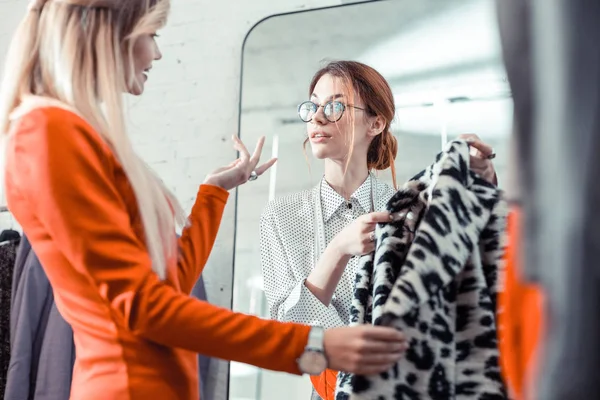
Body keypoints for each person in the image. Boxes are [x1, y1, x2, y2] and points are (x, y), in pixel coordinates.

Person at [0, 2, 409, 400]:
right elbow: (144, 307)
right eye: (152, 34)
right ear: (114, 31)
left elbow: (171, 285)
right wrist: (316, 344)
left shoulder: (79, 135)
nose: (157, 52)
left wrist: (213, 194)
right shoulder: (47, 132)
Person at [260, 60, 498, 399]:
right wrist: (338, 249)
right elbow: (285, 332)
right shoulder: (280, 217)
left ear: (376, 122)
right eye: (313, 105)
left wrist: (479, 180)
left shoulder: (407, 210)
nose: (317, 117)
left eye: (335, 106)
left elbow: (459, 285)